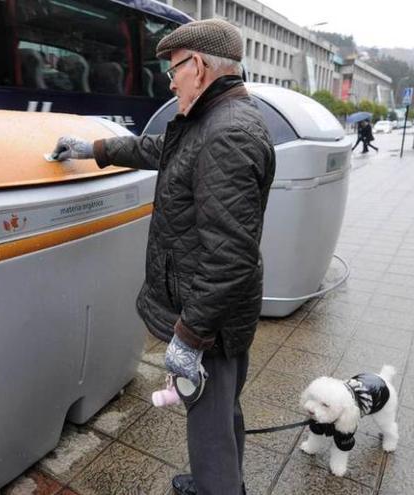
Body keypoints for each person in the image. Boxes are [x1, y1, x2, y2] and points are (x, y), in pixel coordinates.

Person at [50, 19, 275, 495]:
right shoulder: (215, 118)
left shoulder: (226, 134)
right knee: (220, 407)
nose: (168, 82)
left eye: (173, 69)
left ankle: (218, 485)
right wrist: (95, 148)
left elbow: (230, 255)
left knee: (207, 423)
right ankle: (224, 482)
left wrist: (190, 336)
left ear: (197, 65)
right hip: (221, 310)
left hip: (210, 317)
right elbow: (161, 149)